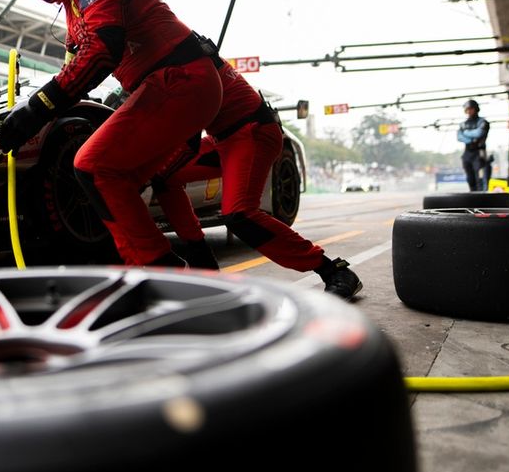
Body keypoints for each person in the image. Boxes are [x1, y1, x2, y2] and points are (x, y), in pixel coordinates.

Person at [0, 0, 223, 267]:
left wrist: (36, 110)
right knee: (118, 179)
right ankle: (199, 269)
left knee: (92, 167)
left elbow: (101, 51)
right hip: (176, 86)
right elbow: (73, 75)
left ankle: (159, 271)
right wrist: (30, 112)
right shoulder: (74, 8)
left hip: (179, 80)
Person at [149, 59, 364, 300]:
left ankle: (333, 271)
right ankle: (204, 265)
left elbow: (184, 133)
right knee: (163, 176)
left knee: (240, 215)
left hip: (252, 132)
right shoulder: (148, 59)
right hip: (223, 139)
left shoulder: (173, 56)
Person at [457, 99, 490, 191]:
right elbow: (459, 137)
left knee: (480, 177)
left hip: (479, 152)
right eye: (467, 109)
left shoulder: (483, 122)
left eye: (471, 109)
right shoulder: (463, 124)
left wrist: (466, 132)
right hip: (467, 153)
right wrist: (471, 139)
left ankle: (481, 197)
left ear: (476, 109)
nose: (469, 111)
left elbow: (479, 133)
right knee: (470, 179)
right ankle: (472, 195)